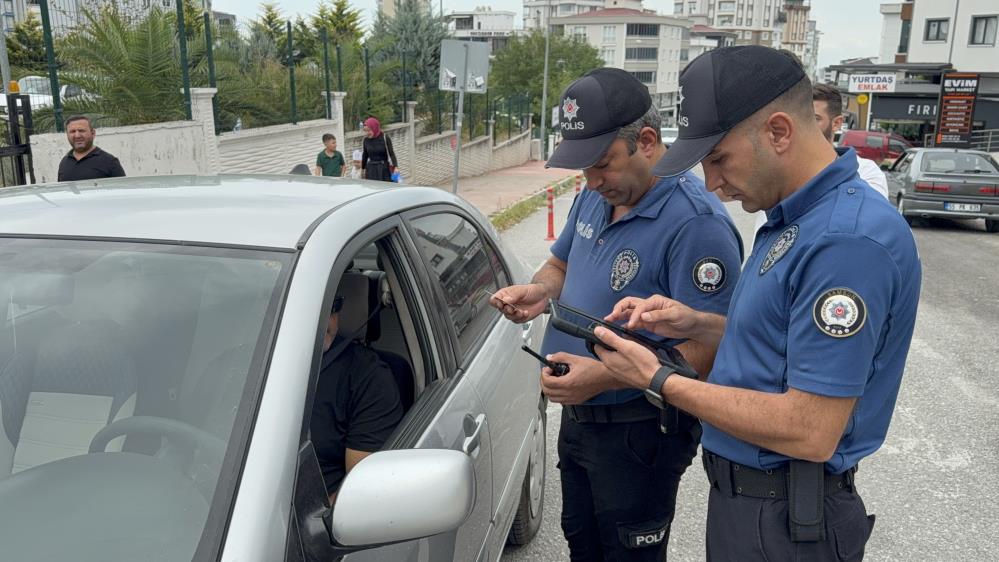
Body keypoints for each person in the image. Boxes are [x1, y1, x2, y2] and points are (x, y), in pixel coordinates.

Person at [591, 46, 921, 561]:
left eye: (718, 159)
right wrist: (695, 322)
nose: (713, 185)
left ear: (780, 132)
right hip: (754, 506)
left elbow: (810, 429)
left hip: (786, 520)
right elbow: (780, 347)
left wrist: (657, 378)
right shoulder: (792, 218)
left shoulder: (845, 241)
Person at [490, 68, 743, 561]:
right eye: (584, 169)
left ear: (647, 142)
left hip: (640, 430)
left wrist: (602, 378)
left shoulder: (696, 224)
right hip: (581, 414)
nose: (590, 180)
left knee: (628, 553)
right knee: (583, 540)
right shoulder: (595, 195)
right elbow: (561, 263)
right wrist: (539, 292)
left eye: (602, 164)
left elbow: (710, 348)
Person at [310, 293, 403, 504]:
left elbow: (358, 493)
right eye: (309, 307)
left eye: (333, 306)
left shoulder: (367, 376)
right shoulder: (241, 364)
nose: (325, 320)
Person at [812, 84, 888, 199]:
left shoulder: (865, 171)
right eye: (802, 119)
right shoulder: (785, 169)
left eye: (815, 119)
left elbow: (872, 214)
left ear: (836, 123)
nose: (805, 126)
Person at [57, 115, 126, 182]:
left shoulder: (110, 162)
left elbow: (123, 190)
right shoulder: (64, 162)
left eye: (81, 131)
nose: (77, 135)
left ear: (93, 133)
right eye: (72, 131)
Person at [360, 117, 398, 182]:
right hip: (371, 170)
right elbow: (365, 155)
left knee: (386, 188)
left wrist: (396, 167)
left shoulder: (385, 137)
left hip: (384, 169)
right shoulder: (366, 140)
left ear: (374, 128)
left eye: (369, 130)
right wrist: (362, 169)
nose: (367, 133)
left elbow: (391, 153)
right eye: (365, 130)